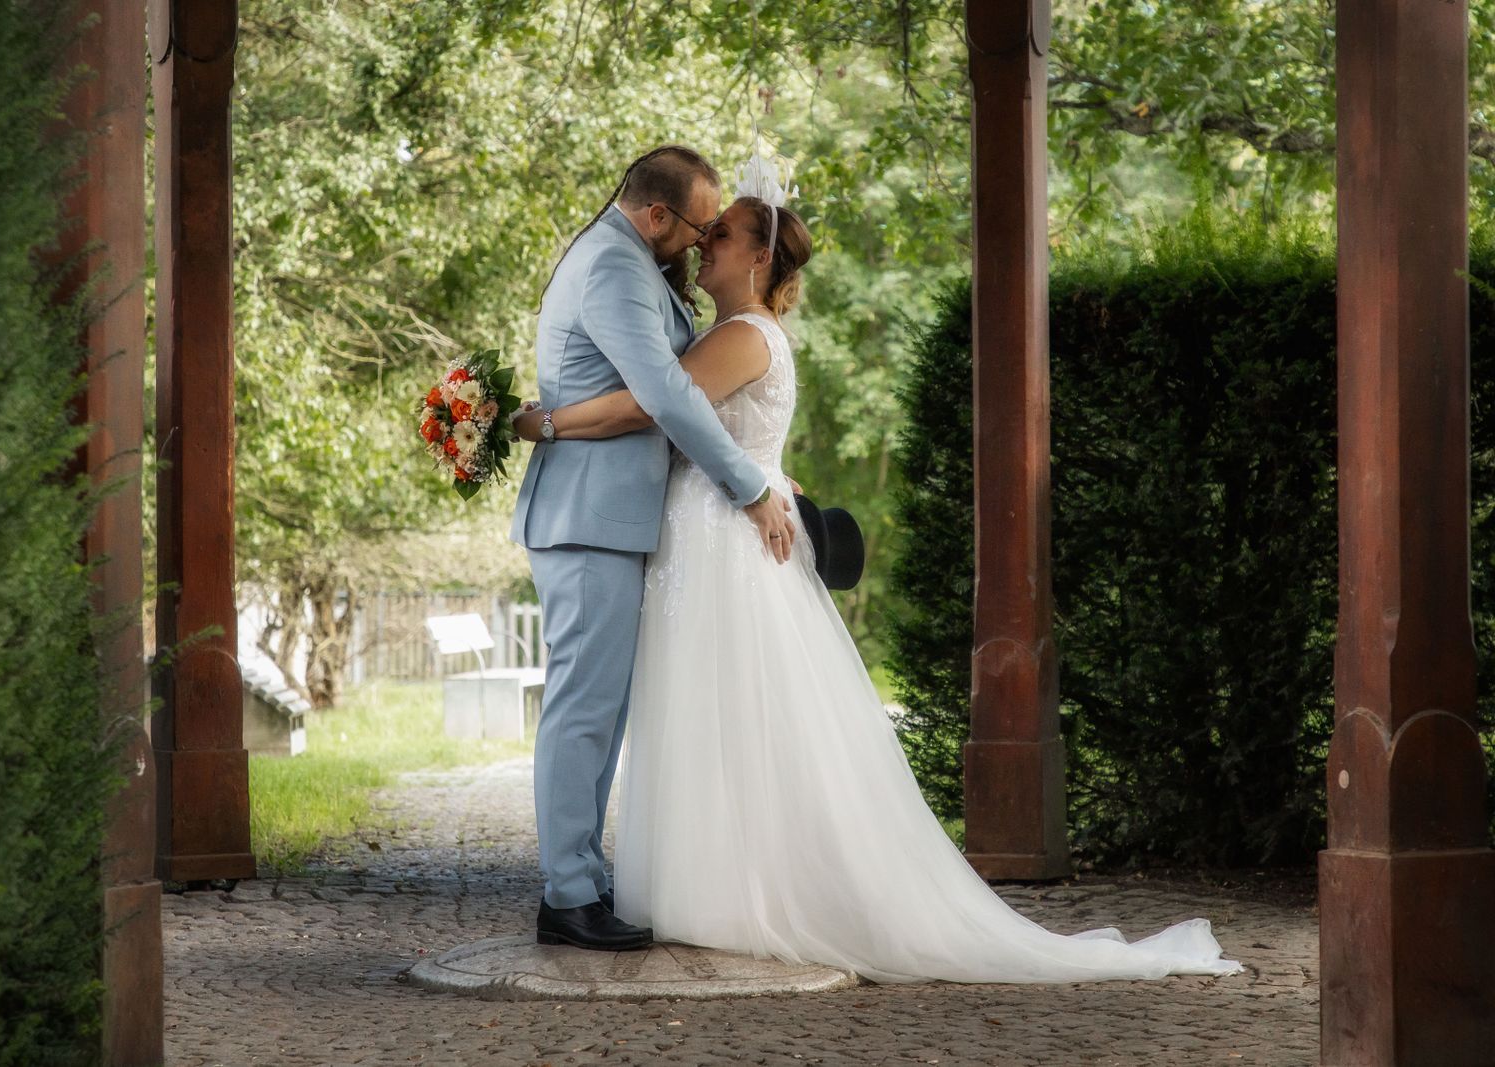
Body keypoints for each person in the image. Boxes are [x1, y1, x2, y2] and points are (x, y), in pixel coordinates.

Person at [514, 191, 1243, 983]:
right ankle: (705, 883)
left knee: (726, 706)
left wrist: (546, 422)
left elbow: (653, 404)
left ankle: (732, 891)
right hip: (713, 532)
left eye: (720, 235)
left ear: (758, 258)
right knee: (717, 708)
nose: (703, 245)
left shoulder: (740, 336)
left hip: (723, 536)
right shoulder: (742, 332)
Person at [509, 145, 796, 952]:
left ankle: (581, 878)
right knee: (584, 708)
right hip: (588, 516)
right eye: (699, 228)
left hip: (610, 517)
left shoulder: (630, 262)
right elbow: (663, 392)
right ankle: (568, 894)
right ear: (659, 215)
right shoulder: (615, 266)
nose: (701, 244)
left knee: (601, 709)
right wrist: (749, 485)